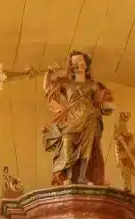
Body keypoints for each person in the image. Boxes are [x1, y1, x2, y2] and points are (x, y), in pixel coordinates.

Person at [42, 51, 115, 185]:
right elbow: (48, 89)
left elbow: (105, 100)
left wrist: (106, 106)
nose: (77, 64)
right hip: (71, 118)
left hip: (89, 118)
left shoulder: (93, 85)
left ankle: (82, 176)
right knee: (67, 139)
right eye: (74, 62)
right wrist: (48, 73)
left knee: (87, 146)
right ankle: (68, 176)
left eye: (80, 61)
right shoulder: (66, 84)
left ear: (86, 65)